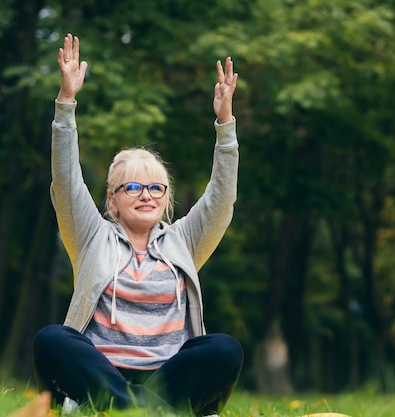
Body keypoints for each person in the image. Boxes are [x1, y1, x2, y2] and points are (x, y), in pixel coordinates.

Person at [32, 33, 243, 417]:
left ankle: (123, 409)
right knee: (51, 340)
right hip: (102, 370)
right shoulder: (91, 234)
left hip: (167, 374)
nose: (146, 194)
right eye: (132, 186)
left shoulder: (184, 240)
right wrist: (66, 103)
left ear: (166, 197)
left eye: (155, 187)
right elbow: (65, 180)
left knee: (225, 349)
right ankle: (152, 411)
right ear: (111, 199)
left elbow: (221, 200)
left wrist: (225, 123)